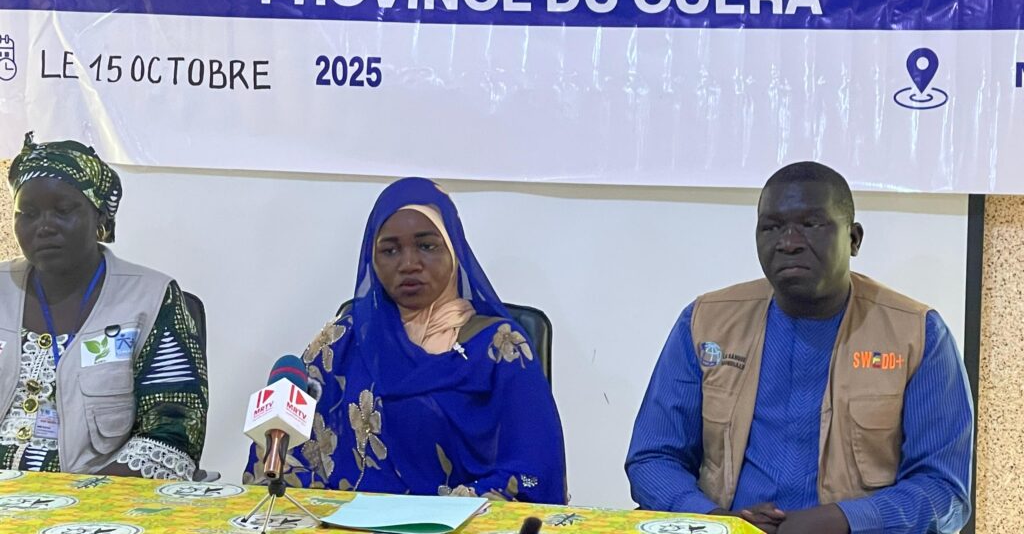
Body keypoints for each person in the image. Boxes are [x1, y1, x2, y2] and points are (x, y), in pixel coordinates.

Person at [626, 161, 973, 534]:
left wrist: (840, 520)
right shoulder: (704, 322)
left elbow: (944, 489)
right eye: (771, 227)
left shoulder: (918, 333)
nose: (789, 242)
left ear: (854, 239)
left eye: (811, 225)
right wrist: (714, 521)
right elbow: (653, 458)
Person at [243, 177, 567, 502]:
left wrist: (450, 510)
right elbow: (281, 451)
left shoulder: (499, 348)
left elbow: (534, 469)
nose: (409, 264)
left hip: (458, 522)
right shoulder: (342, 342)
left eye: (427, 246)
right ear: (373, 259)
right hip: (344, 522)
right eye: (390, 250)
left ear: (454, 250)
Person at [1, 132, 208, 479]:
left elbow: (172, 428)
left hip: (96, 493)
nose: (45, 226)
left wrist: (86, 496)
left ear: (100, 219)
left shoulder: (151, 298)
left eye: (64, 211)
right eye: (29, 214)